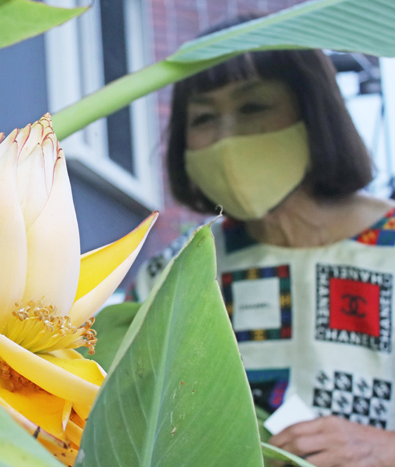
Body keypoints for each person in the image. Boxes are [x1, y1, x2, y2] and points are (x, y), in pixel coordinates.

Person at [133, 15, 395, 467]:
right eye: (204, 117)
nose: (225, 136)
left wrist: (385, 447)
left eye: (253, 107)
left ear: (314, 113)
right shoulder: (175, 274)